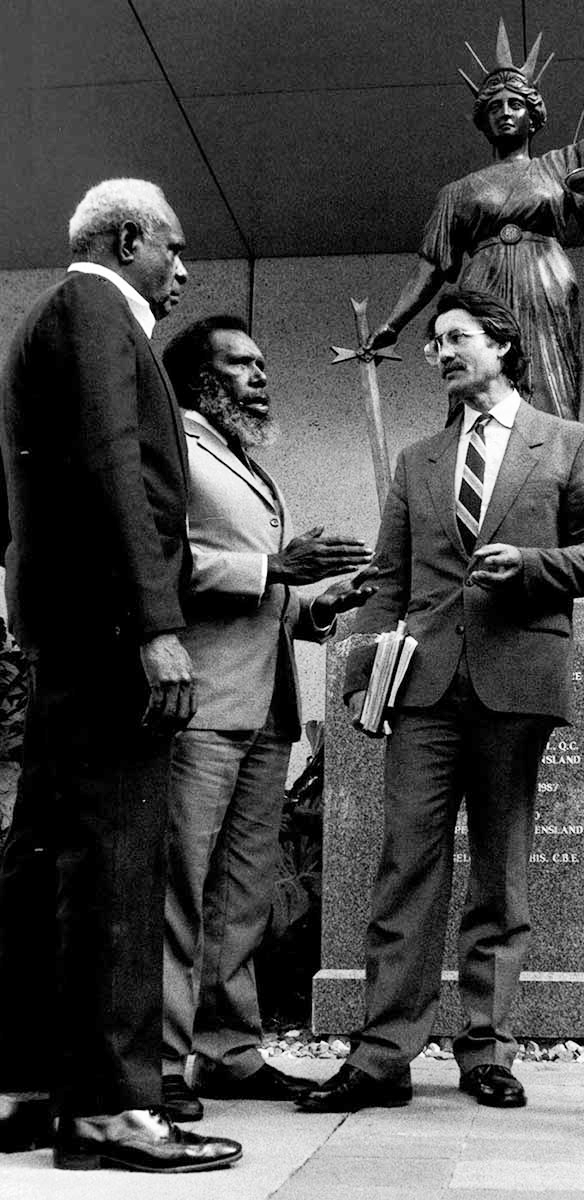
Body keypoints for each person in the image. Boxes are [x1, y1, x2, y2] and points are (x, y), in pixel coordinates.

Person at [297, 288, 584, 1114]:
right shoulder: (417, 461)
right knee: (408, 861)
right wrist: (364, 656)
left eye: (457, 338)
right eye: (436, 341)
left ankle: (487, 1049)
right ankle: (382, 1056)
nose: (441, 352)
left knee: (502, 870)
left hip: (518, 680)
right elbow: (388, 581)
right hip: (426, 688)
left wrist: (535, 567)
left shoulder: (569, 444)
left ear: (504, 346)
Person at [0, 180, 242, 1172]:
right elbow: (112, 466)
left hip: (59, 640)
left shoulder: (41, 326)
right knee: (118, 869)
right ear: (127, 237)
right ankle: (109, 1106)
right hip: (109, 643)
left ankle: (33, 1084)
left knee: (41, 867)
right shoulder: (101, 311)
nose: (182, 269)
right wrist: (155, 626)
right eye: (172, 249)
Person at [158, 316, 376, 1122]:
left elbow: (262, 596)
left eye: (261, 363)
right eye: (239, 364)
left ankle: (227, 1050)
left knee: (242, 891)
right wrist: (273, 567)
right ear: (197, 380)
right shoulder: (173, 448)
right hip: (200, 703)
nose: (260, 376)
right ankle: (158, 1063)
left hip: (265, 706)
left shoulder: (245, 459)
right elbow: (158, 563)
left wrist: (319, 605)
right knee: (179, 886)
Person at [364, 15, 584, 420]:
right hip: (481, 291)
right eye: (494, 107)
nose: (505, 113)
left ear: (533, 115)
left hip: (544, 284)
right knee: (478, 387)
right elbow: (432, 267)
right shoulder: (458, 192)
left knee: (550, 389)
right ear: (483, 120)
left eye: (515, 104)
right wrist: (392, 325)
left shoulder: (565, 163)